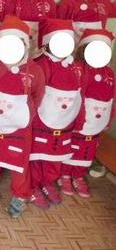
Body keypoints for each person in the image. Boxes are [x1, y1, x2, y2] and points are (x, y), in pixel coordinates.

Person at [0, 15, 45, 218]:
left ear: (25, 45)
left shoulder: (35, 71)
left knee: (19, 165)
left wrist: (26, 114)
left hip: (20, 129)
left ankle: (20, 196)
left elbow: (38, 95)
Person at [30, 19, 84, 209]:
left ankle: (48, 182)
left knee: (55, 156)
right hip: (41, 122)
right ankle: (33, 186)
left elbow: (80, 95)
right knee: (37, 156)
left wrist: (80, 118)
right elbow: (34, 93)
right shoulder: (40, 65)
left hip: (64, 122)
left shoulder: (76, 68)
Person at [61, 29, 115, 197]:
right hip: (78, 118)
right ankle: (65, 174)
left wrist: (109, 117)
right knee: (72, 147)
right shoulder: (78, 69)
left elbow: (111, 97)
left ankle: (78, 175)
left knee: (87, 150)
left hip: (97, 120)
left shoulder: (110, 74)